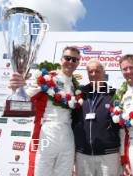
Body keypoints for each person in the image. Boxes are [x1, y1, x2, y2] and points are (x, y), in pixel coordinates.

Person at [9, 46, 82, 176]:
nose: (70, 62)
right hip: (47, 131)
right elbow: (22, 99)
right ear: (61, 59)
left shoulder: (76, 86)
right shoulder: (48, 77)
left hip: (68, 134)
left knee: (64, 172)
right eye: (67, 58)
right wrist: (16, 88)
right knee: (41, 171)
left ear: (78, 62)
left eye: (74, 60)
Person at [72, 60, 121, 176]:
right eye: (90, 72)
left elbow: (121, 124)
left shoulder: (114, 94)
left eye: (97, 71)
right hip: (83, 154)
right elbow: (72, 120)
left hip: (109, 154)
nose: (93, 74)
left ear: (104, 73)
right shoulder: (79, 94)